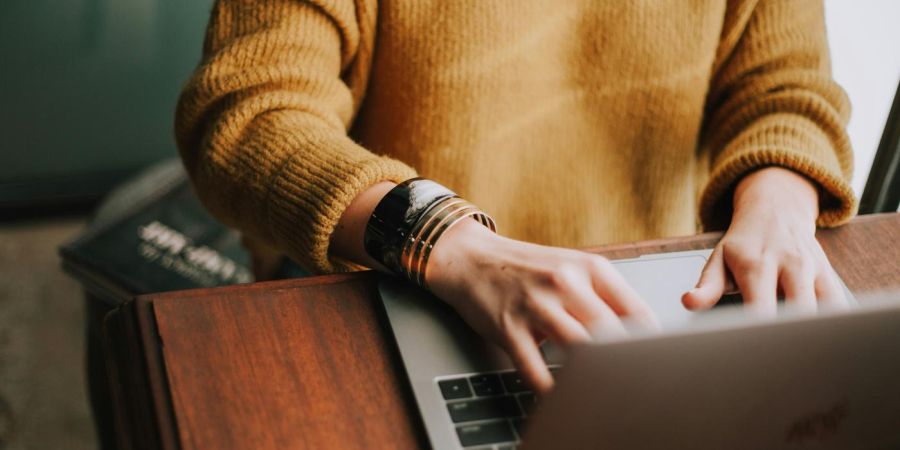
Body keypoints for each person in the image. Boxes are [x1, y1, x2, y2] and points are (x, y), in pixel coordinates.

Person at [175, 0, 856, 392]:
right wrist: (448, 241)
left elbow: (785, 88)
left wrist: (781, 202)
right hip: (388, 289)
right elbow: (247, 115)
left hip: (642, 307)